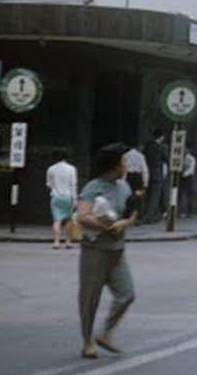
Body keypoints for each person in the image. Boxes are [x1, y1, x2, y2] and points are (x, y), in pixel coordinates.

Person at [76, 143, 138, 359]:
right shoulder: (94, 187)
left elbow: (131, 214)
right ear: (112, 166)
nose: (126, 165)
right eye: (123, 162)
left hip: (117, 250)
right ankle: (87, 341)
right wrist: (106, 227)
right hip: (95, 249)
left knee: (127, 294)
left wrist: (124, 223)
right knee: (90, 298)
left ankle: (105, 333)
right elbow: (83, 216)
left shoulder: (124, 187)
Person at [46, 148, 77, 250]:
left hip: (55, 196)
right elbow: (73, 184)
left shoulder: (51, 169)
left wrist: (54, 188)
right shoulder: (71, 169)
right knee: (69, 219)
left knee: (57, 220)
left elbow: (49, 183)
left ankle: (56, 242)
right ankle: (68, 242)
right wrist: (75, 198)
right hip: (68, 196)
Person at [143, 129, 167, 224]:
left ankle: (163, 212)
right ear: (161, 137)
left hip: (148, 172)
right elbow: (166, 158)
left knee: (151, 195)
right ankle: (149, 216)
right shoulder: (160, 147)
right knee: (154, 196)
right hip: (157, 174)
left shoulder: (148, 146)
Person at [122, 141, 148, 223]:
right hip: (138, 178)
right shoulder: (140, 156)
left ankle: (127, 216)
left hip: (129, 177)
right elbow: (144, 170)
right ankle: (139, 217)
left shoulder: (126, 155)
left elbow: (124, 169)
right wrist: (145, 182)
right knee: (139, 198)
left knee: (128, 197)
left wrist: (122, 180)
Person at [179, 148, 196, 218]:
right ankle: (181, 211)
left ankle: (189, 212)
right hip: (181, 177)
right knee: (180, 194)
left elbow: (191, 169)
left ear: (189, 150)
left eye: (185, 149)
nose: (184, 151)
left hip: (188, 177)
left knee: (189, 195)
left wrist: (184, 174)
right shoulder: (180, 157)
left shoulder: (191, 159)